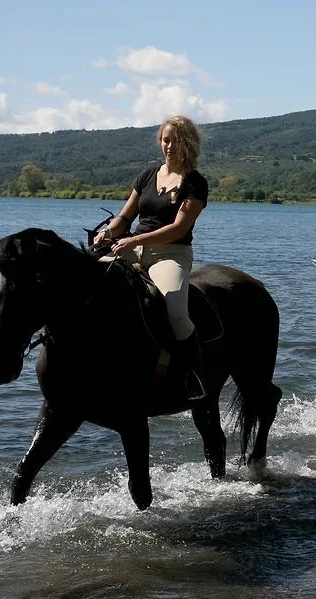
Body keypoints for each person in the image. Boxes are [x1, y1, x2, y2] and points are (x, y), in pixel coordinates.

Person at [93, 115, 210, 400]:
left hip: (170, 254)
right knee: (91, 287)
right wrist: (108, 234)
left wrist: (132, 239)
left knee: (176, 311)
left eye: (176, 140)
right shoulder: (147, 175)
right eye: (165, 140)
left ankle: (194, 375)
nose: (169, 146)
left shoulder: (195, 183)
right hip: (129, 248)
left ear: (188, 143)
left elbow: (177, 229)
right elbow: (125, 216)